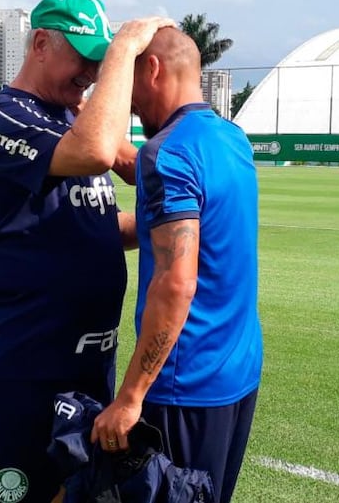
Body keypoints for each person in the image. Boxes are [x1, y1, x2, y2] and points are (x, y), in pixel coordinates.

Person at [0, 0, 173, 503]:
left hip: (90, 364)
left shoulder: (70, 116)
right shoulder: (2, 119)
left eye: (100, 60)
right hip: (24, 363)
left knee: (82, 493)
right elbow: (100, 152)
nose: (92, 72)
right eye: (85, 57)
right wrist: (123, 49)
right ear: (39, 44)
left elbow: (116, 203)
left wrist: (176, 227)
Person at [90, 27, 263, 503]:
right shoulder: (231, 139)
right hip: (238, 373)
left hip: (184, 383)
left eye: (129, 85)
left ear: (152, 69)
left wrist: (129, 397)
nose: (127, 104)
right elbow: (156, 180)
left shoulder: (166, 155)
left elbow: (175, 284)